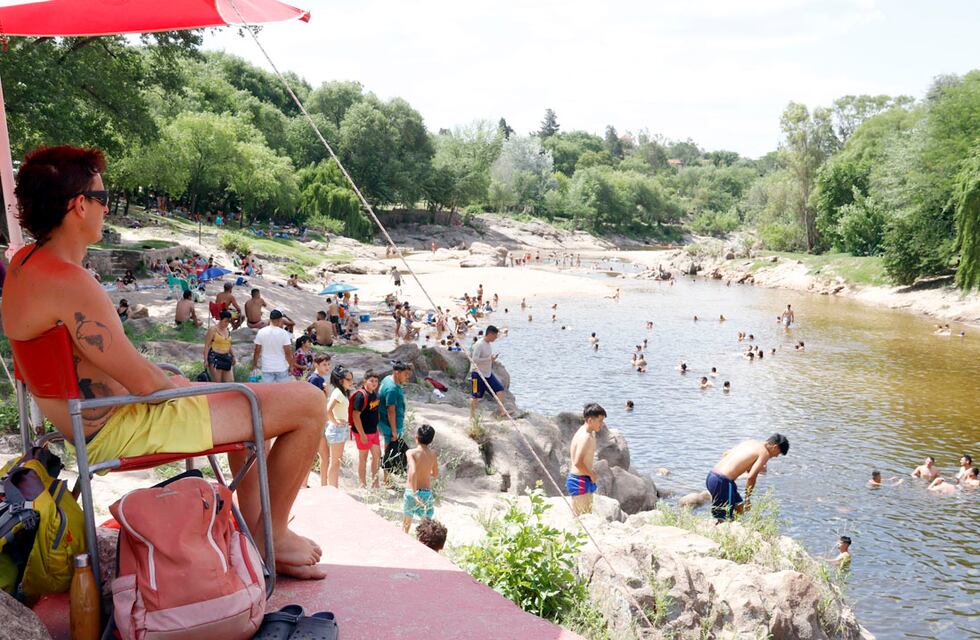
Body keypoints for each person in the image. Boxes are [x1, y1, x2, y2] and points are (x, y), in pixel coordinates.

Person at [3, 145, 326, 580]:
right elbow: (144, 384)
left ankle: (258, 527)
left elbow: (114, 367)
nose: (106, 208)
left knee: (251, 406)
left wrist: (168, 379)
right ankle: (274, 536)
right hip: (116, 428)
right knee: (305, 402)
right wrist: (189, 387)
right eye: (103, 198)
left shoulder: (24, 262)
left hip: (81, 423)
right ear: (79, 206)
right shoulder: (70, 283)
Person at [706, 434, 790, 522]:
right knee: (724, 519)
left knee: (739, 507)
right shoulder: (764, 453)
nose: (776, 456)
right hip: (722, 481)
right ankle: (722, 529)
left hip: (712, 476)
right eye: (778, 453)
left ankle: (735, 524)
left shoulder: (751, 442)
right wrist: (747, 498)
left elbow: (726, 454)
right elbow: (751, 477)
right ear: (775, 447)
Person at [567, 403, 606, 516]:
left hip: (583, 479)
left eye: (602, 421)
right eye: (600, 421)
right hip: (579, 481)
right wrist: (591, 475)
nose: (602, 424)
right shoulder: (585, 437)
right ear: (590, 420)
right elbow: (578, 463)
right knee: (582, 519)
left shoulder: (587, 432)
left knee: (585, 516)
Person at [379, 361, 412, 484]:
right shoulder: (392, 389)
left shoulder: (388, 378)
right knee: (389, 451)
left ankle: (390, 476)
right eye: (405, 374)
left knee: (392, 449)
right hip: (390, 425)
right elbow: (390, 410)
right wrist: (393, 431)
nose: (407, 377)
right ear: (397, 373)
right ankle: (387, 480)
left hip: (386, 422)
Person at [403, 424, 439, 533]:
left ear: (416, 438)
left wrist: (414, 494)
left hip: (411, 493)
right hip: (426, 493)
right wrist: (425, 472)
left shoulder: (411, 452)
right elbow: (435, 474)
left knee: (406, 525)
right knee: (426, 526)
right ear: (431, 440)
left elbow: (413, 471)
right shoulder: (433, 454)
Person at [350, 371, 382, 488]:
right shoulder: (361, 396)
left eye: (376, 381)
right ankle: (362, 484)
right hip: (362, 433)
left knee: (377, 456)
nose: (374, 383)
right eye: (371, 381)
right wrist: (362, 434)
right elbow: (355, 415)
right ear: (365, 382)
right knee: (363, 458)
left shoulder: (376, 395)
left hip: (374, 432)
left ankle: (375, 483)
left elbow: (375, 412)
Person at [324, 365, 353, 488]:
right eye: (348, 379)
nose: (351, 382)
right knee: (335, 461)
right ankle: (332, 488)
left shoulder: (342, 392)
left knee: (336, 461)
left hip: (341, 429)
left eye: (351, 379)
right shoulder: (338, 393)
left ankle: (333, 487)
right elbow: (327, 410)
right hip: (337, 429)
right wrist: (335, 422)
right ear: (341, 380)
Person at [469, 325, 505, 421]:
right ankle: (472, 416)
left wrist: (491, 359)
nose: (496, 338)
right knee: (475, 395)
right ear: (490, 334)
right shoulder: (479, 344)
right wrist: (489, 359)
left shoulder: (488, 344)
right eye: (495, 336)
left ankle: (501, 411)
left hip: (487, 373)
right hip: (476, 374)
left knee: (500, 390)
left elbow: (486, 359)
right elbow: (474, 359)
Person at [307, 353, 332, 486]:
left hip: (316, 420)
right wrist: (326, 393)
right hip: (316, 420)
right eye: (324, 364)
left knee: (319, 455)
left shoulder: (316, 378)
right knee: (321, 455)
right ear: (316, 364)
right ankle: (321, 484)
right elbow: (315, 400)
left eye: (328, 364)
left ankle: (319, 484)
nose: (327, 367)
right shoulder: (315, 379)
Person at [252, 310, 295, 384]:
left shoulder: (261, 332)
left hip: (267, 367)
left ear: (270, 319)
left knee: (268, 392)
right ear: (280, 320)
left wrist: (254, 365)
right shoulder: (284, 333)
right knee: (282, 391)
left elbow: (257, 351)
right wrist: (291, 366)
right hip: (281, 367)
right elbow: (288, 353)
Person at [204, 310, 236, 382]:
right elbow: (207, 345)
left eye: (228, 321)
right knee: (217, 382)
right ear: (220, 319)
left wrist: (233, 356)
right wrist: (205, 360)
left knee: (230, 381)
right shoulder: (213, 330)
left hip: (226, 357)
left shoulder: (227, 330)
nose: (227, 323)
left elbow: (228, 344)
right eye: (225, 321)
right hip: (215, 357)